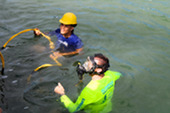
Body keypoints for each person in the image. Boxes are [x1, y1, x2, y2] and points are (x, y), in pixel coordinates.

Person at [54, 53, 122, 113]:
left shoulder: (90, 90)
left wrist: (62, 94)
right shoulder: (110, 75)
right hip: (107, 108)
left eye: (89, 64)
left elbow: (74, 109)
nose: (86, 65)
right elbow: (119, 75)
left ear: (98, 70)